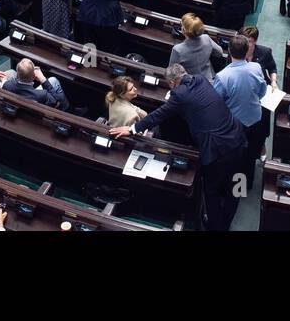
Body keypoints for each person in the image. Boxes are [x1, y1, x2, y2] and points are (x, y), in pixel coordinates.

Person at [109, 63, 246, 232]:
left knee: (211, 190)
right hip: (236, 136)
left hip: (217, 148)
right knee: (236, 182)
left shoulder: (179, 94)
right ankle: (227, 219)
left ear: (173, 83)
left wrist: (132, 129)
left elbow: (159, 115)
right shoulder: (201, 79)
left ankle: (216, 228)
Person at [213, 33, 267, 179]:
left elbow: (216, 104)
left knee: (235, 159)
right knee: (250, 155)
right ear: (246, 50)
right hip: (255, 119)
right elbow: (263, 91)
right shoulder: (256, 67)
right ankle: (246, 184)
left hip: (234, 125)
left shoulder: (222, 76)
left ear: (229, 51)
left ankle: (237, 189)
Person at [169, 12, 223, 81]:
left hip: (191, 84)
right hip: (209, 81)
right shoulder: (206, 38)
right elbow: (220, 53)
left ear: (183, 30)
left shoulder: (178, 50)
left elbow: (172, 73)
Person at [3, 58, 71, 110]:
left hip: (18, 110)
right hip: (35, 117)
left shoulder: (7, 85)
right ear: (33, 76)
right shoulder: (43, 95)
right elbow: (58, 104)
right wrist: (43, 80)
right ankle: (68, 109)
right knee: (53, 80)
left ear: (17, 74)